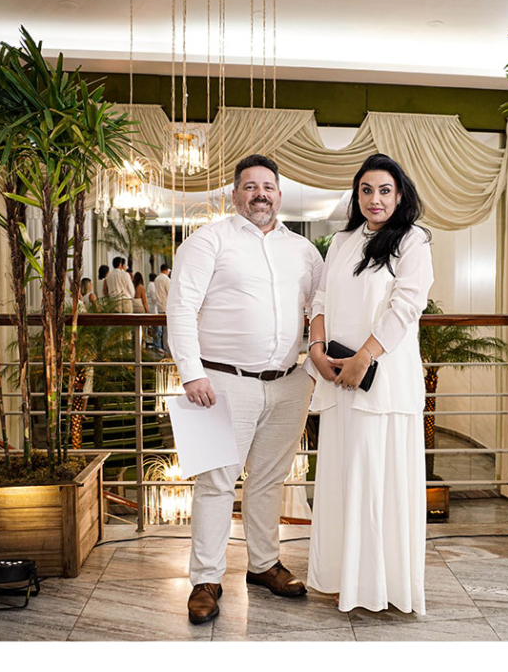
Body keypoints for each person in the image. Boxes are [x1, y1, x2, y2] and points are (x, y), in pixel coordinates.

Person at [167, 154, 323, 625]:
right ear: (235, 195)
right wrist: (191, 373)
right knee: (215, 483)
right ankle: (206, 580)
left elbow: (321, 307)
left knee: (270, 479)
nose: (260, 194)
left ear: (279, 194)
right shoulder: (208, 240)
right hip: (220, 383)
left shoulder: (303, 250)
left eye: (268, 186)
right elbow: (181, 307)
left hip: (289, 383)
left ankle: (264, 565)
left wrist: (313, 367)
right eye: (250, 186)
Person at [304, 153, 434, 615]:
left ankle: (382, 586)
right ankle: (345, 579)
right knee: (345, 479)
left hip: (384, 383)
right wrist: (316, 349)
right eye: (366, 190)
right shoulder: (342, 242)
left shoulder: (413, 241)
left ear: (399, 196)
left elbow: (406, 307)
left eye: (384, 190)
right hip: (339, 377)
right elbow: (319, 299)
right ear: (356, 195)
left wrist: (365, 357)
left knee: (379, 483)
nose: (374, 199)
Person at [155, 264, 171, 353]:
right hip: (166, 306)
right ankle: (166, 347)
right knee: (166, 330)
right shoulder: (166, 279)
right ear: (166, 270)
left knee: (159, 329)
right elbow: (170, 292)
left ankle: (158, 346)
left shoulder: (157, 279)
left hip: (159, 306)